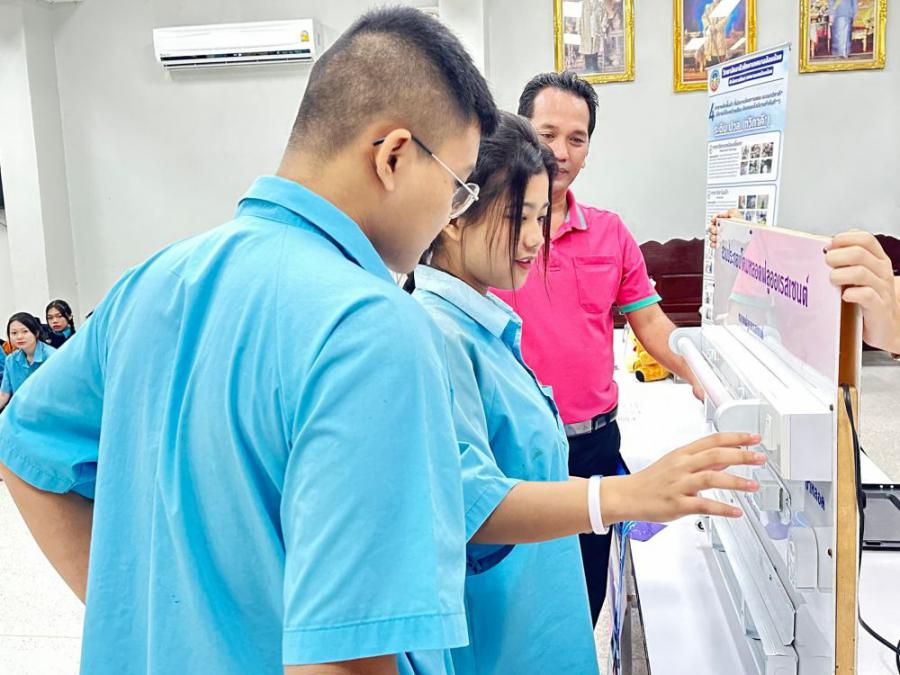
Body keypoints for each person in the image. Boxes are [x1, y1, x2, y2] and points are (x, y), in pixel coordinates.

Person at [0, 8, 499, 675]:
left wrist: (149, 621)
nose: (450, 215)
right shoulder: (372, 328)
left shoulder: (151, 283)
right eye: (458, 188)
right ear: (393, 157)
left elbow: (26, 451)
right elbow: (345, 658)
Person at [408, 112, 764, 674]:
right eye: (518, 218)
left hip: (538, 613)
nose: (535, 238)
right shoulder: (435, 332)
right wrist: (624, 495)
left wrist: (708, 375)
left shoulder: (486, 323)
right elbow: (470, 505)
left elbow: (651, 324)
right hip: (500, 641)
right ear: (454, 213)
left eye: (540, 217)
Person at [493, 71, 703, 623]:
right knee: (511, 600)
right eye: (547, 134)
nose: (560, 153)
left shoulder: (610, 234)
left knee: (584, 597)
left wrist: (705, 376)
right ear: (521, 132)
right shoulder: (486, 232)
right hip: (510, 447)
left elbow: (651, 324)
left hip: (591, 445)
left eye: (576, 139)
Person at [708, 224, 900, 356]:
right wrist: (738, 233)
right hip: (790, 374)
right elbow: (740, 322)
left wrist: (893, 335)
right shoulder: (767, 237)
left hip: (829, 381)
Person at [1, 313, 56, 413]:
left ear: (36, 333)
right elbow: (4, 394)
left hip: (47, 412)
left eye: (25, 331)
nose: (19, 337)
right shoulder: (11, 360)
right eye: (14, 333)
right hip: (21, 413)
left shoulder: (52, 357)